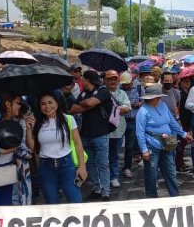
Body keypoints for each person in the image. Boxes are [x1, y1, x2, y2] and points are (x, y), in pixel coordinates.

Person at [136, 84, 190, 197]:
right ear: (152, 98)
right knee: (151, 174)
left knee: (170, 171)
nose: (160, 99)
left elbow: (172, 122)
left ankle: (175, 196)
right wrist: (144, 149)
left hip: (166, 143)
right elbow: (139, 131)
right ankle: (152, 198)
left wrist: (183, 134)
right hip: (152, 145)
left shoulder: (163, 106)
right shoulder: (143, 111)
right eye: (158, 97)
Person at [33, 92, 87, 204]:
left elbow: (78, 143)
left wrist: (82, 167)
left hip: (67, 165)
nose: (47, 106)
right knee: (52, 203)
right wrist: (29, 129)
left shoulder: (68, 119)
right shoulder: (36, 122)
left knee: (75, 201)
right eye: (43, 104)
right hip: (46, 167)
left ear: (57, 103)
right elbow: (32, 147)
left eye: (50, 102)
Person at [70, 70, 114, 201]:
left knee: (102, 164)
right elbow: (73, 109)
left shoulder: (103, 91)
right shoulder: (84, 93)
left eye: (83, 78)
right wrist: (90, 104)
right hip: (85, 134)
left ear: (88, 80)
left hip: (100, 134)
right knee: (90, 164)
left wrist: (86, 103)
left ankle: (105, 191)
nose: (81, 80)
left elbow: (88, 103)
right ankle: (96, 189)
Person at [105, 70, 131, 189]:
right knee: (103, 156)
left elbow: (126, 109)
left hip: (118, 130)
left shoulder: (122, 94)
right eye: (110, 79)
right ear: (105, 80)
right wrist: (118, 109)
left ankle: (113, 177)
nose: (112, 81)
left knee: (114, 155)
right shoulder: (102, 92)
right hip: (103, 131)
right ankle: (104, 178)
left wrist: (111, 108)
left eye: (114, 79)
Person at [121, 72, 141, 178]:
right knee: (116, 145)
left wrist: (139, 104)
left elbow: (144, 100)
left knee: (130, 146)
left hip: (133, 121)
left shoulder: (138, 89)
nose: (126, 86)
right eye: (124, 84)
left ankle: (127, 167)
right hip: (121, 121)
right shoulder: (119, 91)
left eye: (127, 84)